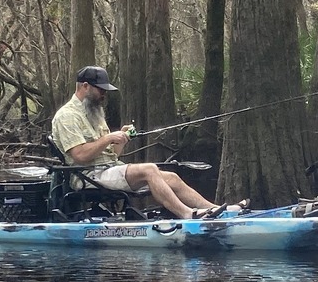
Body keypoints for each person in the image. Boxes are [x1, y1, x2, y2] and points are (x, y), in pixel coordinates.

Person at [49, 65, 237, 218]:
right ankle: (187, 214)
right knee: (149, 169)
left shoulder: (95, 111)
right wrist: (108, 138)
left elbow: (112, 155)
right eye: (101, 90)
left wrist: (120, 139)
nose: (104, 94)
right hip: (87, 176)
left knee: (171, 177)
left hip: (108, 169)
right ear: (85, 86)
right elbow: (80, 156)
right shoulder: (67, 116)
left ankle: (216, 210)